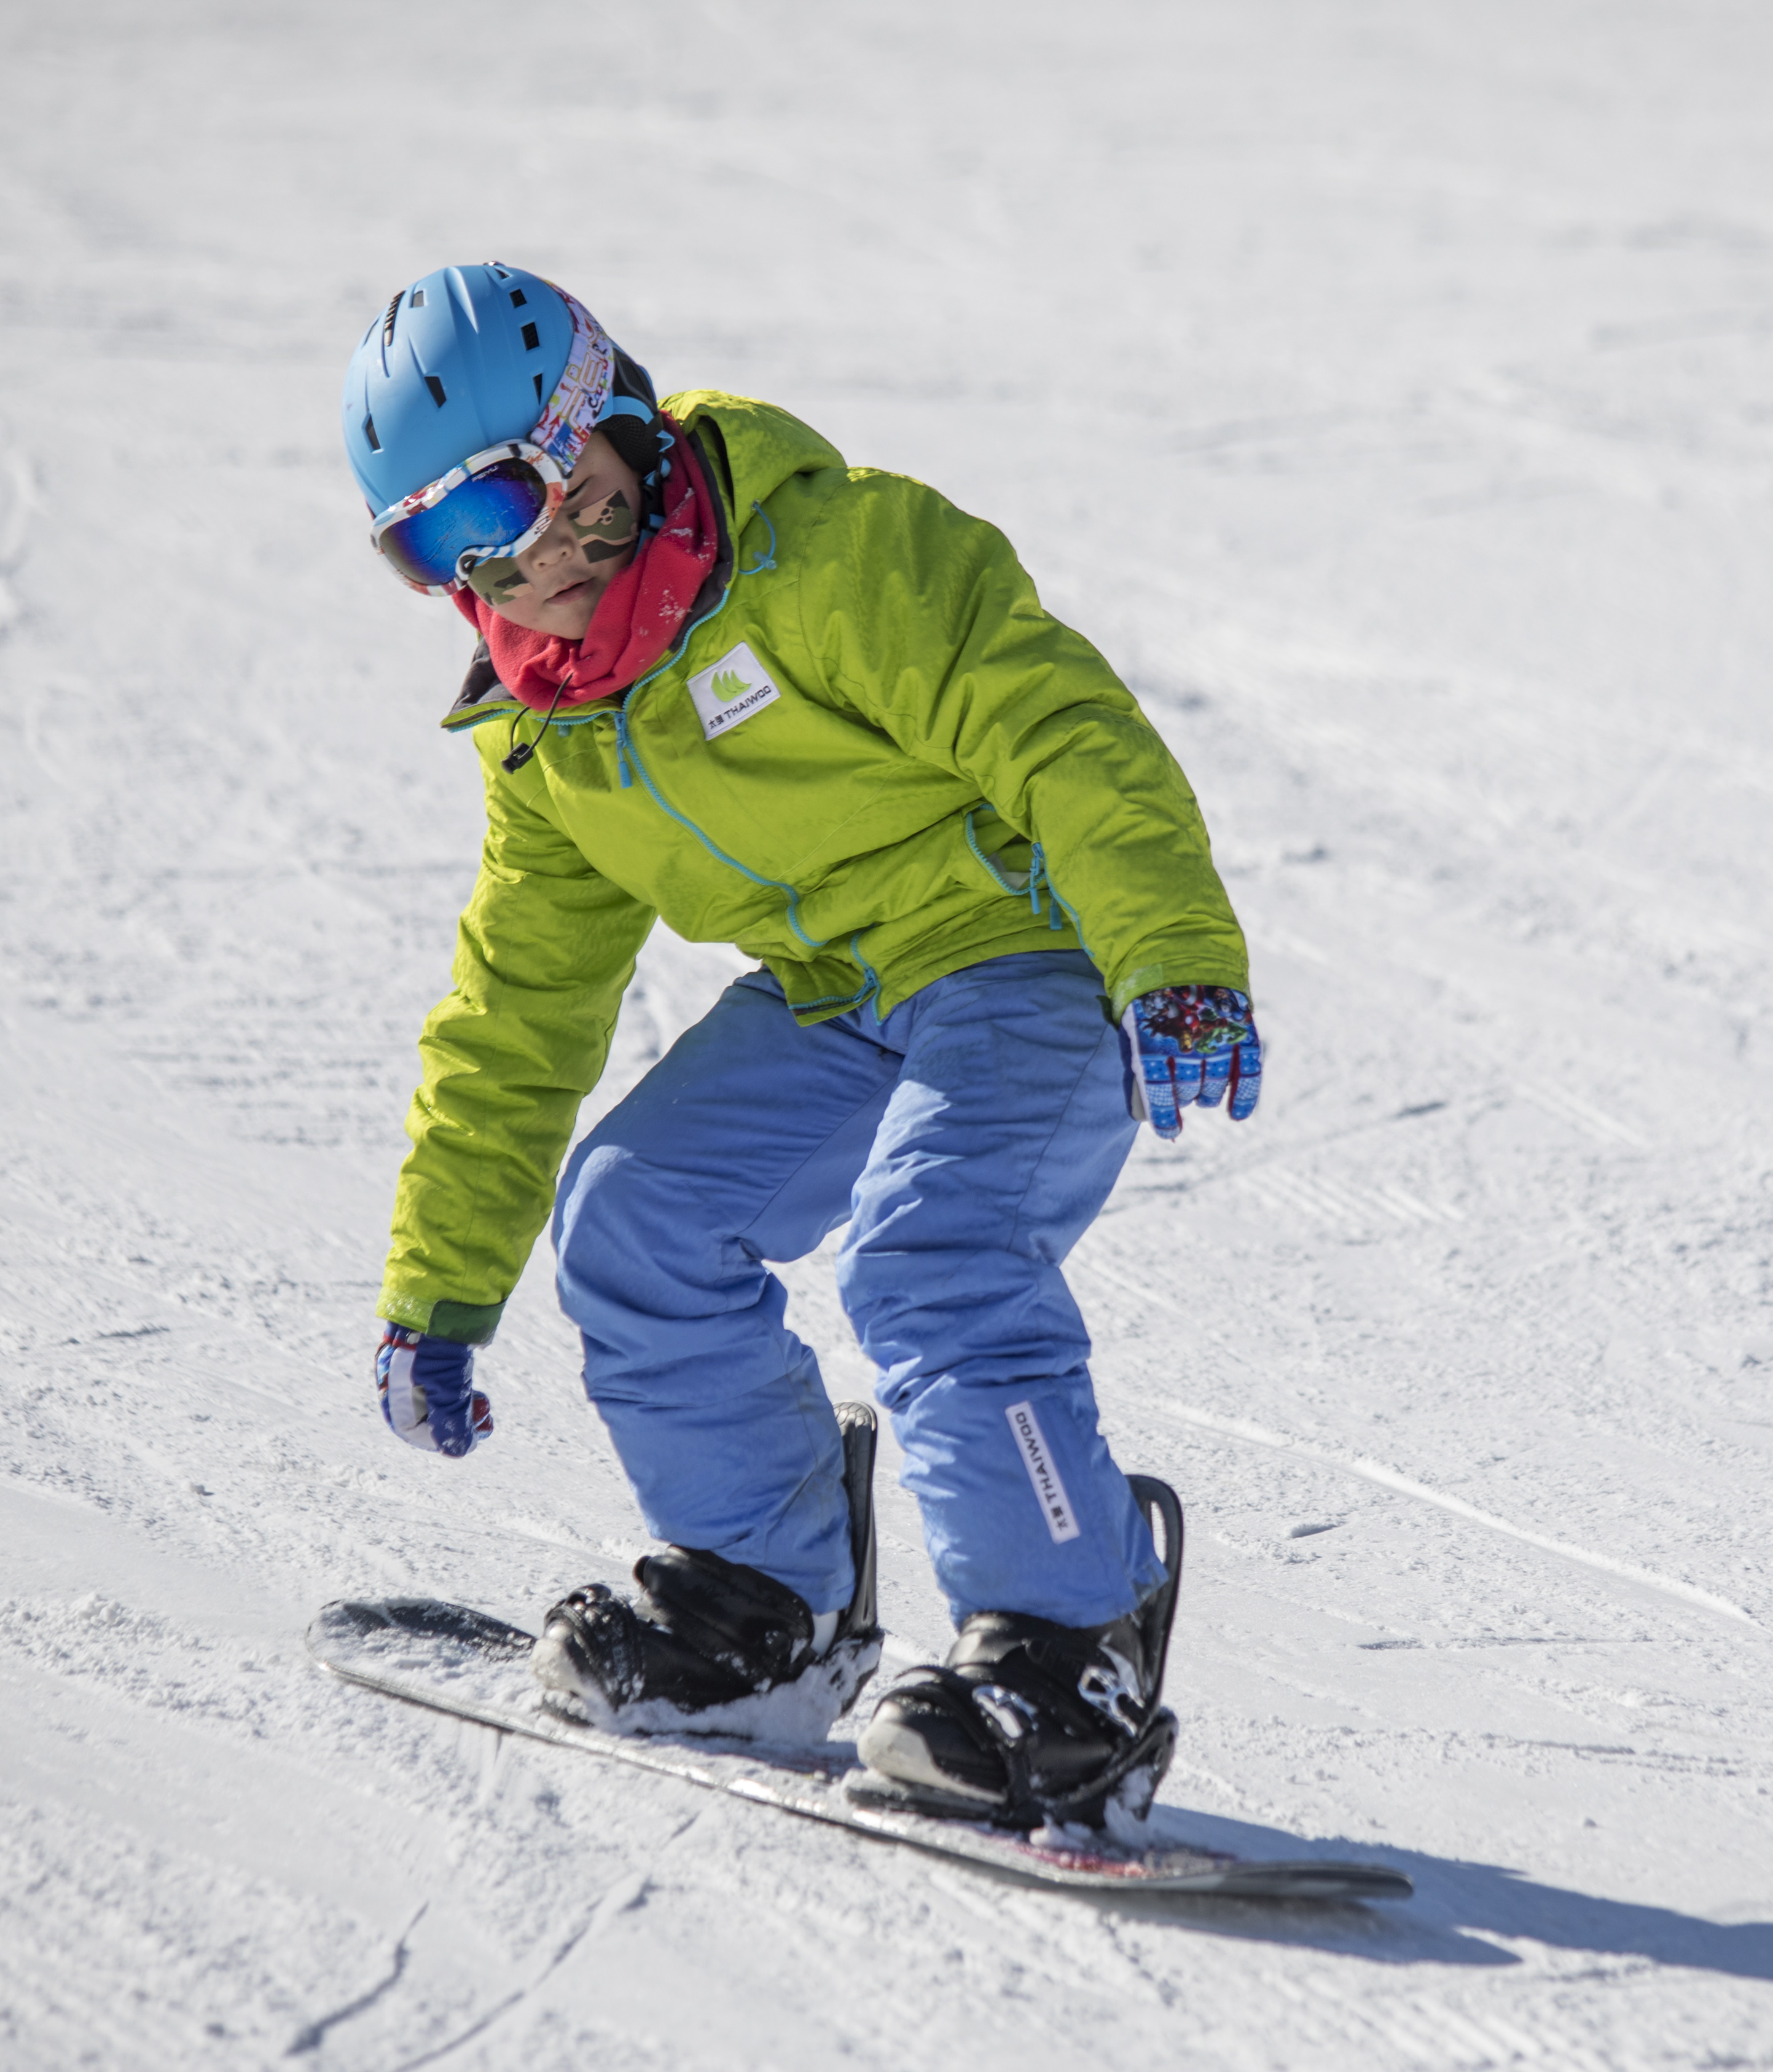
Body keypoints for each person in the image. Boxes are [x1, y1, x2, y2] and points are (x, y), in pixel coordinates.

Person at [345, 262, 1262, 1829]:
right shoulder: (550, 731)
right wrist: (439, 1285)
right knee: (634, 1213)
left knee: (933, 1255)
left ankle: (1067, 1658)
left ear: (610, 437)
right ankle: (762, 1609)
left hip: (1026, 948)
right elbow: (517, 1010)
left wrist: (1169, 954)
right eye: (441, 541)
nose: (515, 562)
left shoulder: (829, 555)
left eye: (521, 499)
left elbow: (1058, 725)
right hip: (840, 987)